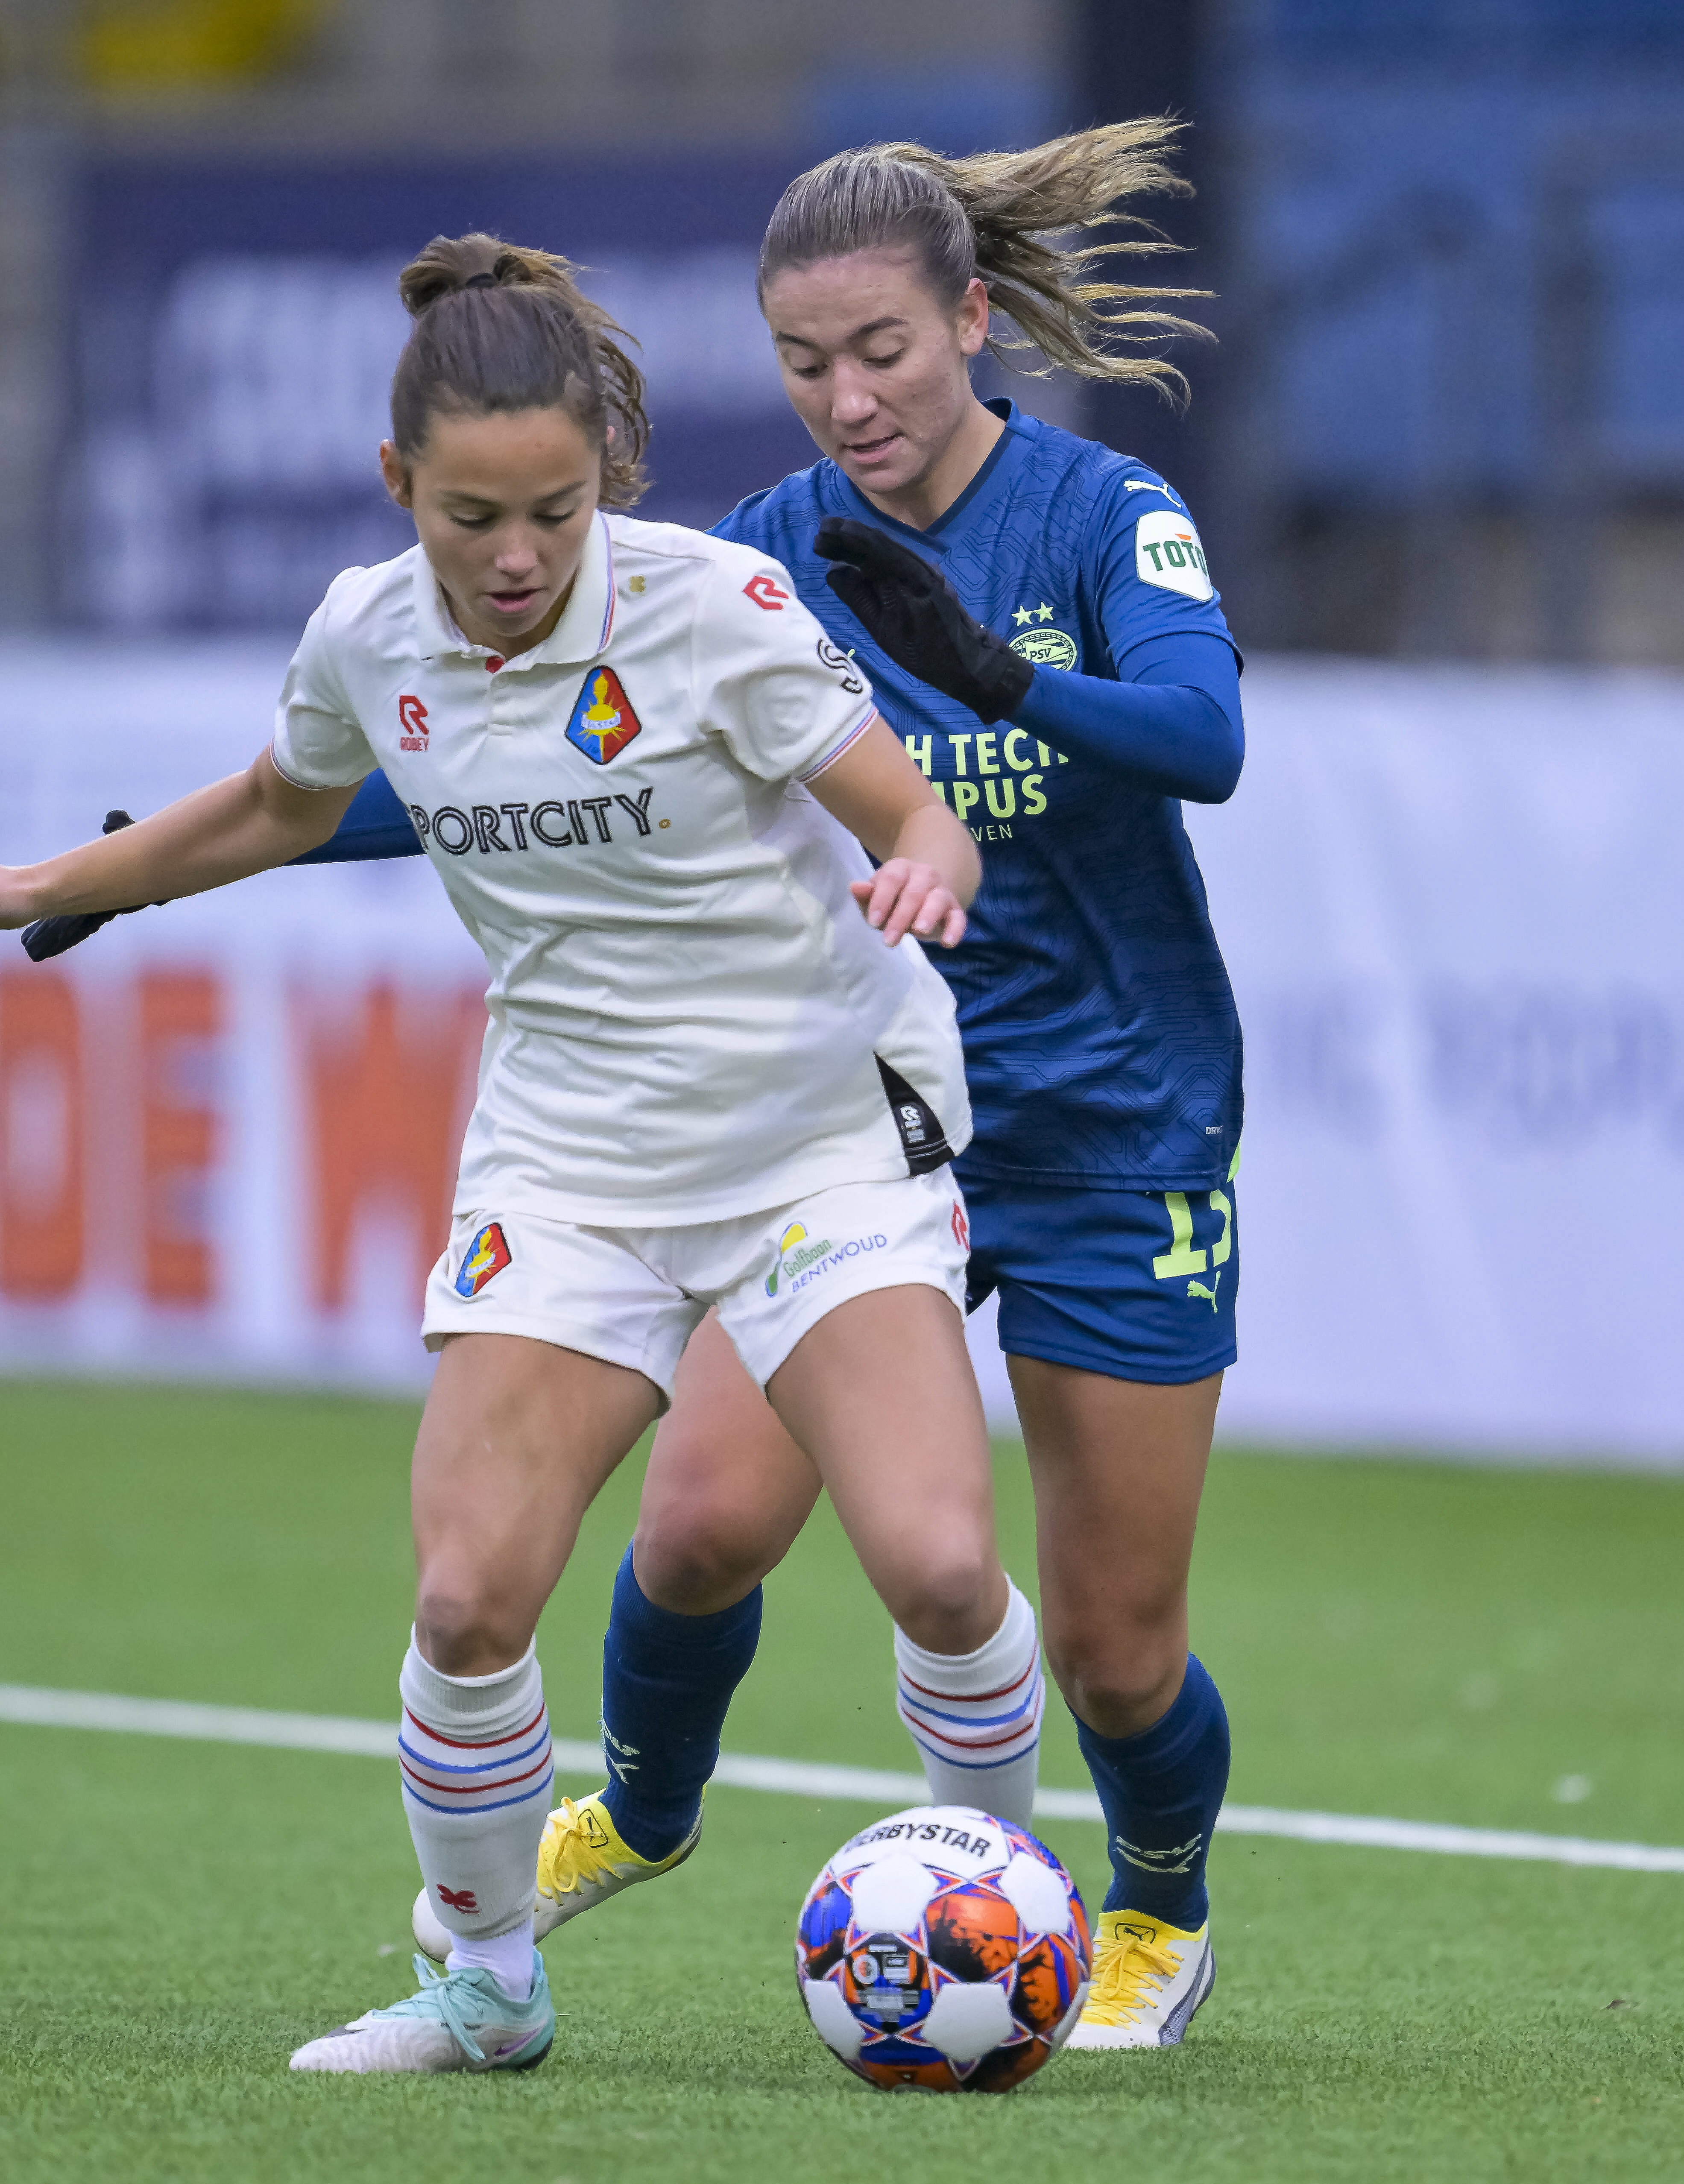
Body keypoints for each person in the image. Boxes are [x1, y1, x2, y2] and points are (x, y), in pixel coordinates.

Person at [0, 234, 1019, 2079]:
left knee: (942, 1572)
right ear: (399, 485)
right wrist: (45, 881)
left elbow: (914, 812)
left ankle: (1004, 1902)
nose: (514, 557)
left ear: (605, 486)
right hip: (568, 1163)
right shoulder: (366, 632)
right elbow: (277, 802)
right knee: (470, 1593)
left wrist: (922, 871)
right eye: (473, 515)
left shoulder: (710, 607)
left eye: (556, 514)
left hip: (820, 1138)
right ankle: (483, 1981)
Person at [497, 121, 1248, 2051]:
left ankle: (1155, 1909)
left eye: (884, 353)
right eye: (805, 362)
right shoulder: (755, 561)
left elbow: (1204, 740)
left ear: (974, 322)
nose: (847, 400)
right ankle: (649, 1811)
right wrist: (174, 855)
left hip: (1107, 1125)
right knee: (697, 1530)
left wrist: (991, 678)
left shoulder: (1098, 513)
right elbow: (536, 761)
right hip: (855, 1121)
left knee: (1107, 1641)